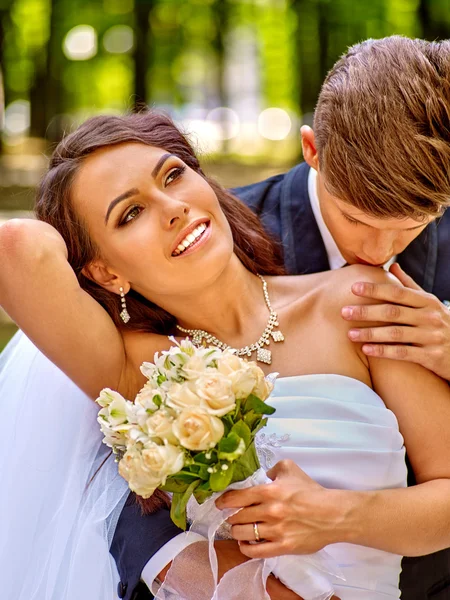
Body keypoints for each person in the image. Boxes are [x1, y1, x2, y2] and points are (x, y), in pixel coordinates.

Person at [1, 100, 450, 600]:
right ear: (106, 272)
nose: (173, 208)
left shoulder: (358, 300)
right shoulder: (139, 371)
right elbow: (16, 248)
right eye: (130, 213)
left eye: (172, 176)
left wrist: (335, 516)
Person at [110, 36, 450, 600]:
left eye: (415, 220)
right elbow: (127, 482)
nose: (383, 245)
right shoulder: (211, 245)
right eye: (358, 216)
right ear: (312, 150)